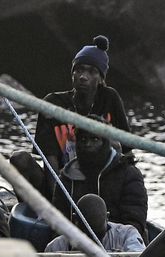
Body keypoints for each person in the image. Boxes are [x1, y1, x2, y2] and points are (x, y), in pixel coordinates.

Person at [11, 34, 133, 198]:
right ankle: (27, 214)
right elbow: (50, 160)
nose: (83, 76)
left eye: (91, 71)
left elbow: (126, 151)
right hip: (62, 182)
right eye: (79, 69)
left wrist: (129, 192)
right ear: (72, 73)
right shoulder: (53, 103)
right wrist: (59, 204)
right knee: (20, 159)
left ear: (101, 79)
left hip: (101, 184)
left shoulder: (109, 98)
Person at [52, 121, 148, 241]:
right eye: (83, 139)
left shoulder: (128, 173)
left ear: (105, 142)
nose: (88, 144)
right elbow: (58, 222)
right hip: (77, 243)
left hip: (122, 244)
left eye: (95, 139)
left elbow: (135, 221)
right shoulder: (66, 178)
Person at [45, 194, 145, 253]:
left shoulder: (127, 235)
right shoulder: (56, 248)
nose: (93, 241)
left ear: (107, 217)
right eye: (87, 235)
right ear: (75, 220)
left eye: (98, 235)